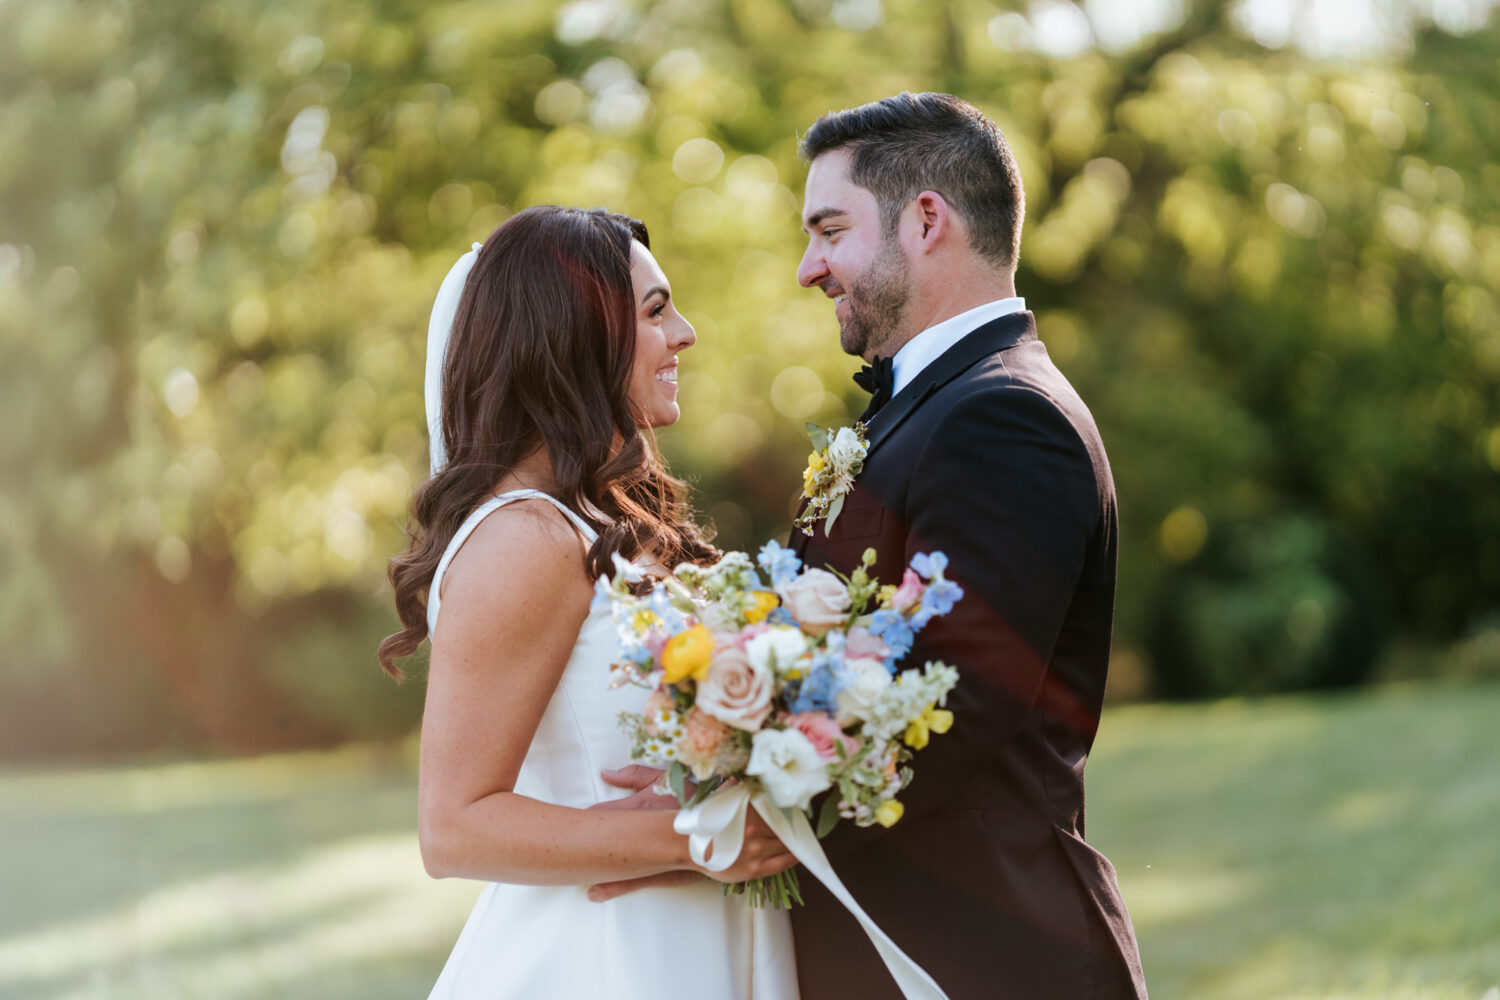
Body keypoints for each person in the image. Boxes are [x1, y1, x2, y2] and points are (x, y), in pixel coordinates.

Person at [378, 205, 799, 1000]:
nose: (686, 332)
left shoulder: (598, 521)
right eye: (655, 310)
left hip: (692, 937)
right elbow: (454, 826)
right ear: (575, 337)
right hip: (611, 960)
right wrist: (698, 838)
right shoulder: (525, 540)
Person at [782, 93, 1149, 998]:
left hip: (976, 958)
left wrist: (732, 792)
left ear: (927, 219)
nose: (807, 268)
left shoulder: (1004, 416)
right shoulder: (928, 406)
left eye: (829, 230)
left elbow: (943, 721)